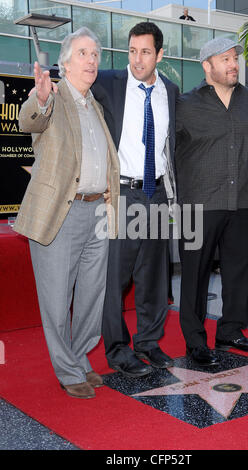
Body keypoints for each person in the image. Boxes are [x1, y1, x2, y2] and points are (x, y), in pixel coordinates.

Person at [13, 27, 120, 399]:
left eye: (95, 54)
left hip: (97, 213)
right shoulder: (53, 97)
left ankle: (79, 359)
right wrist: (40, 100)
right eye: (84, 54)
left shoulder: (97, 106)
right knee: (57, 299)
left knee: (92, 296)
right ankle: (67, 369)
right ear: (66, 63)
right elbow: (30, 120)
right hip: (60, 212)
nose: (92, 60)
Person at [175, 37, 248, 366]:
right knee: (195, 275)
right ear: (206, 66)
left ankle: (231, 331)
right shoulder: (184, 104)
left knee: (238, 271)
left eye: (234, 58)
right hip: (198, 205)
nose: (233, 64)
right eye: (224, 59)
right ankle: (195, 340)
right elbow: (164, 150)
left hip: (241, 203)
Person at [91, 22, 179, 378]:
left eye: (145, 52)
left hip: (156, 192)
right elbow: (69, 89)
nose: (137, 59)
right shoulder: (108, 82)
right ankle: (117, 350)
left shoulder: (171, 92)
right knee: (115, 277)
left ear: (159, 54)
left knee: (154, 274)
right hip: (120, 193)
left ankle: (148, 342)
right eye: (132, 50)